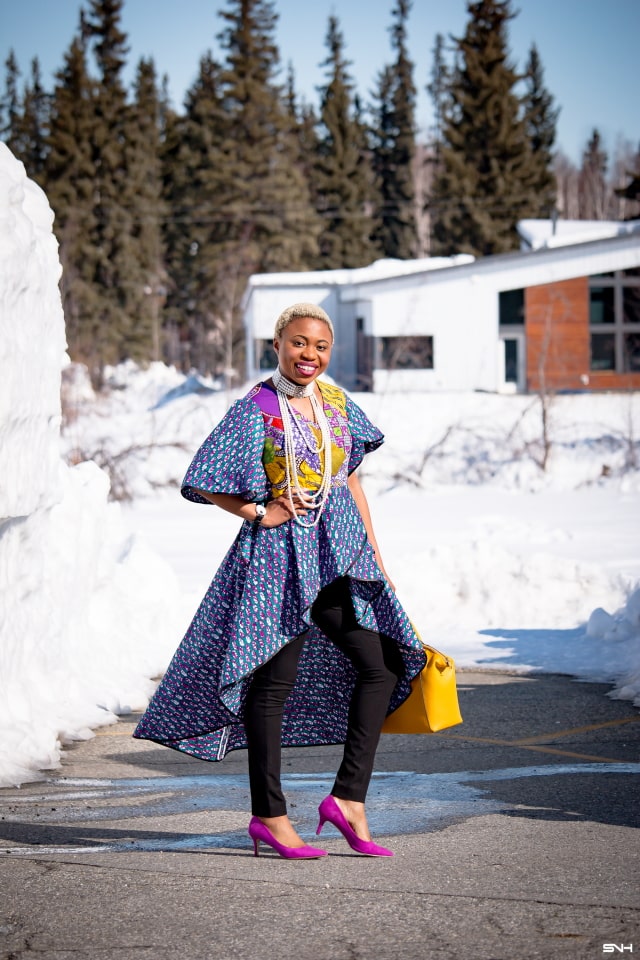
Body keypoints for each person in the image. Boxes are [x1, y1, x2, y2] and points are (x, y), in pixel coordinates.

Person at [134, 303, 426, 859]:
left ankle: (348, 800)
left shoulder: (338, 404)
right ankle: (269, 815)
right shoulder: (257, 407)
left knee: (381, 665)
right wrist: (258, 511)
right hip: (277, 560)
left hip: (338, 553)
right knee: (272, 686)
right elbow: (203, 477)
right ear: (277, 345)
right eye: (298, 343)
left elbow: (352, 483)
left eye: (319, 346)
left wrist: (375, 555)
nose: (309, 355)